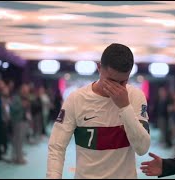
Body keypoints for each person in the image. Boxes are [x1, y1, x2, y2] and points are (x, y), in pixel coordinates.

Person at [47, 43, 150, 179]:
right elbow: (56, 147)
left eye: (122, 82)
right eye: (111, 80)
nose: (116, 88)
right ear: (99, 68)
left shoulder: (135, 96)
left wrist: (125, 107)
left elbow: (142, 149)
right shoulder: (76, 99)